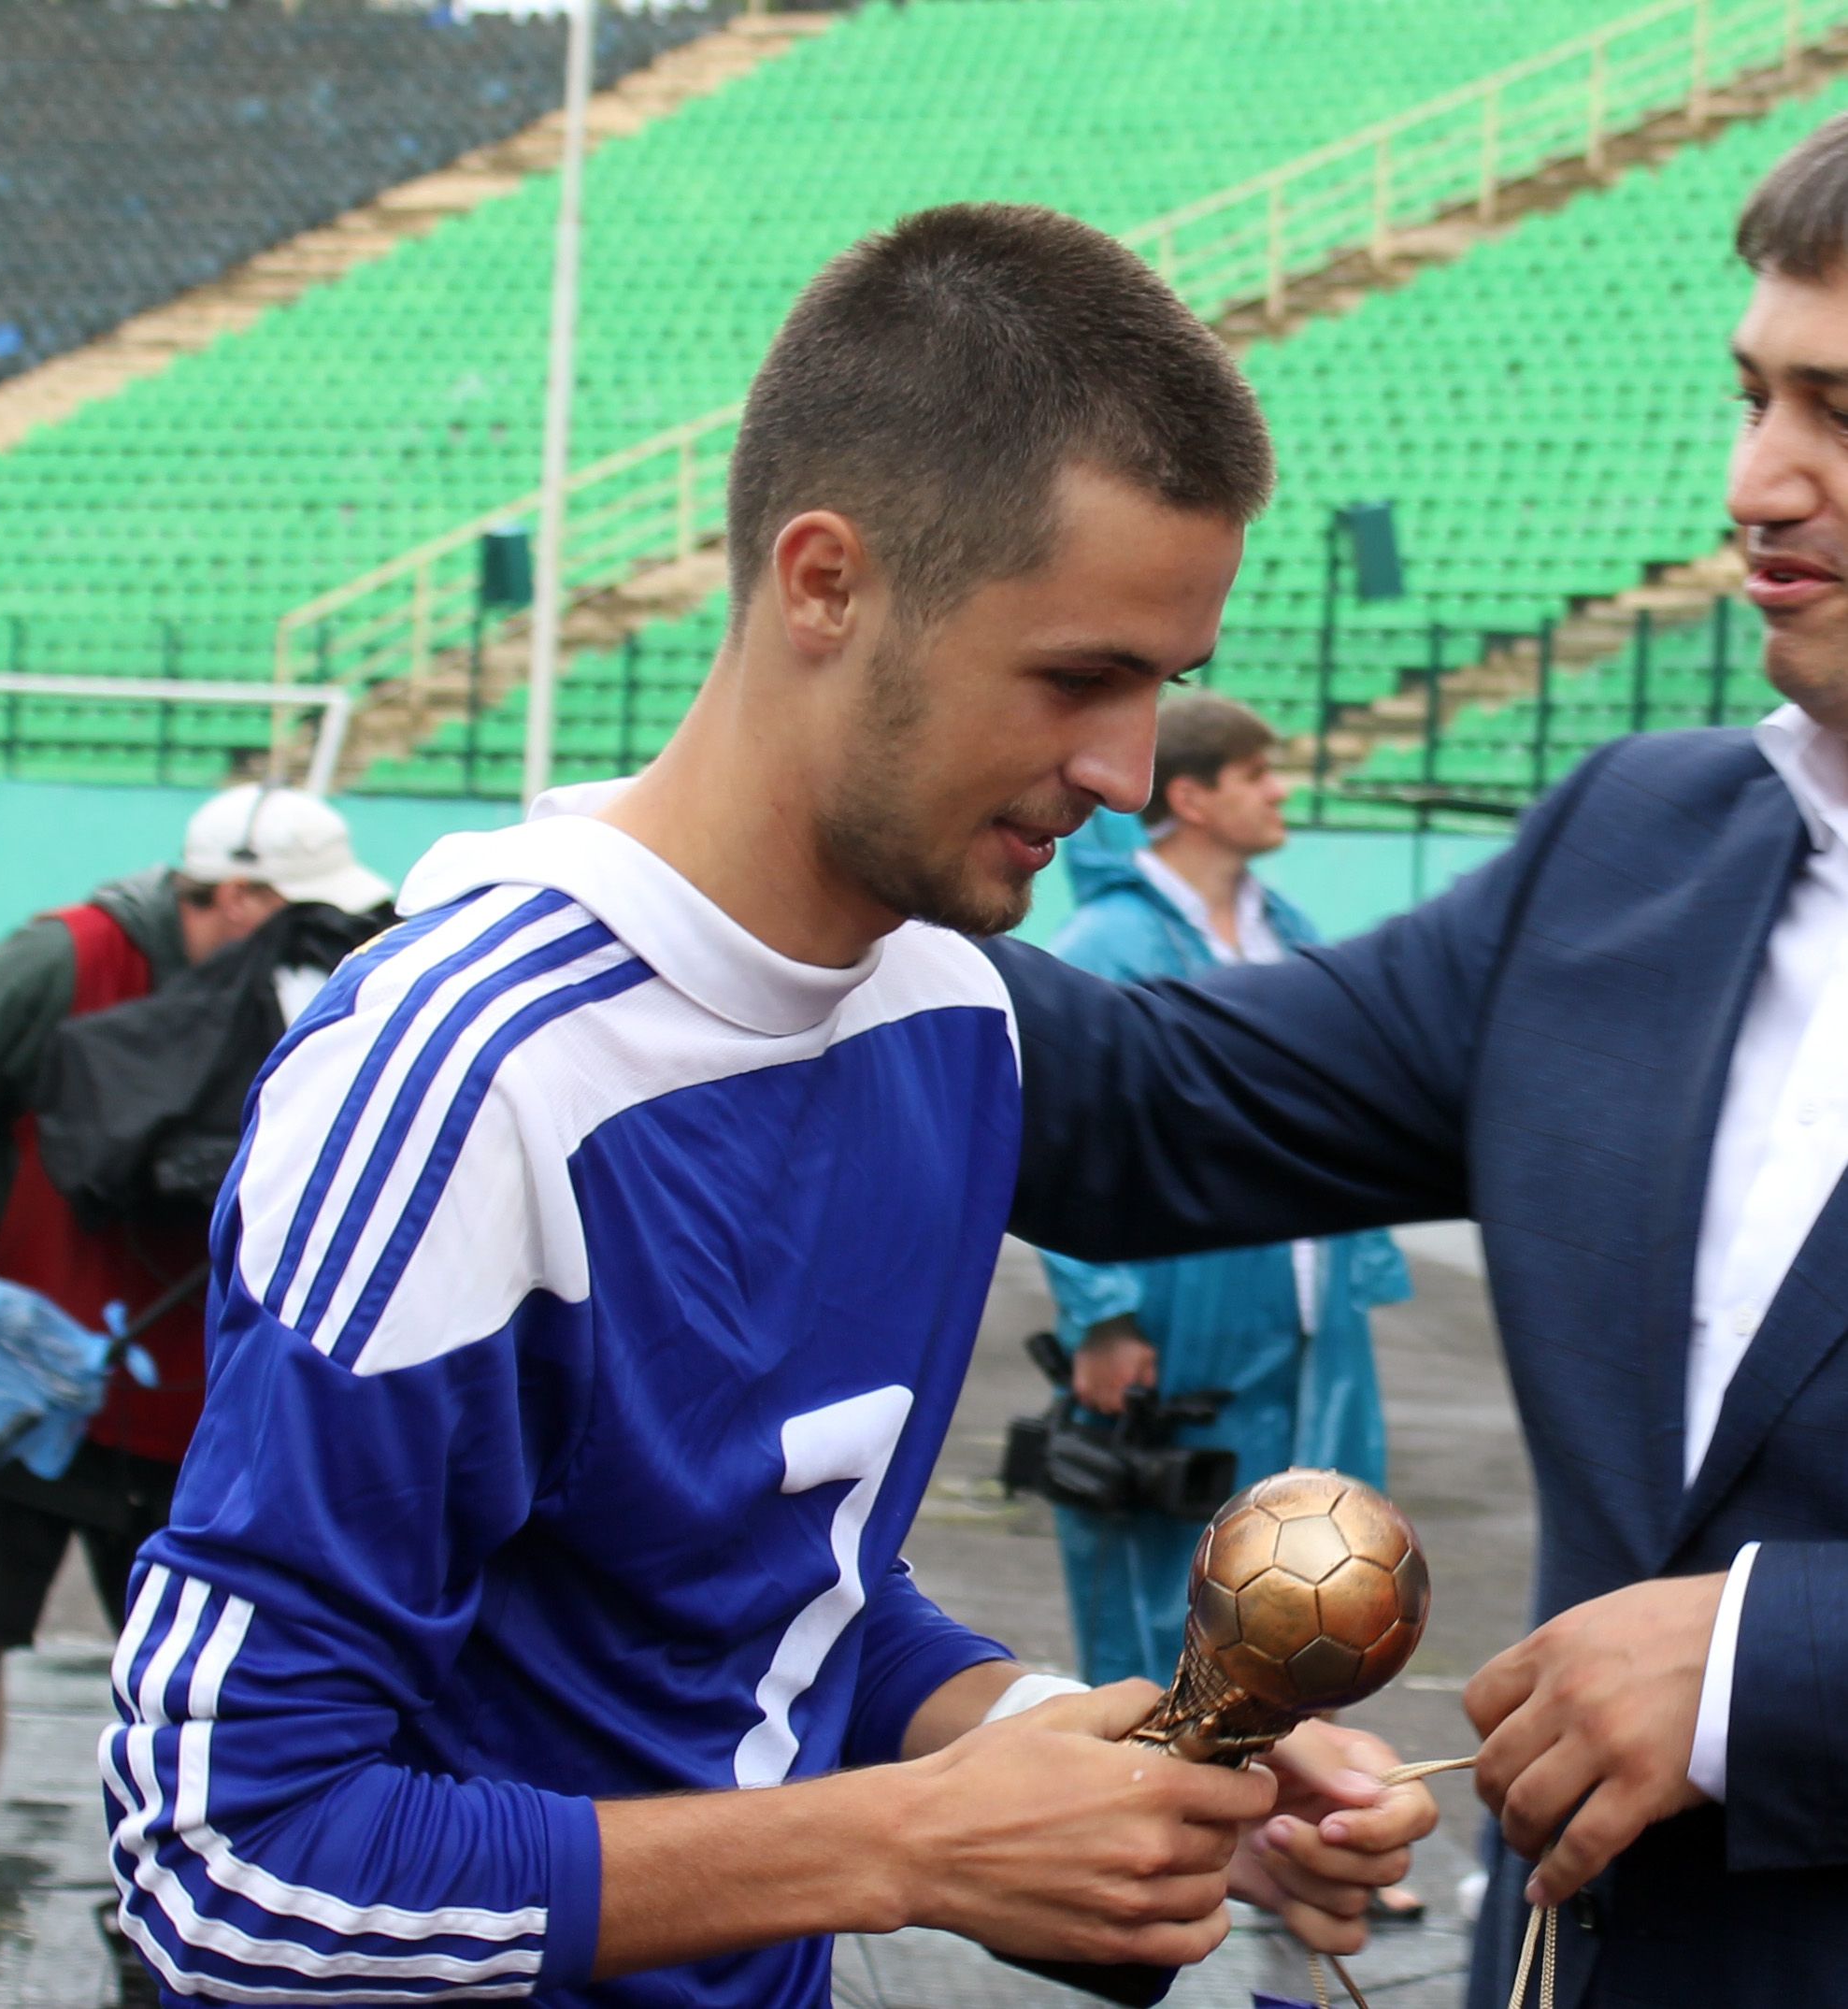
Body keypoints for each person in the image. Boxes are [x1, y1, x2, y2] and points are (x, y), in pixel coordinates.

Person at [101, 206, 1435, 2009]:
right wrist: (901, 1840)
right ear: (822, 581)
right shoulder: (462, 1077)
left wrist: (1083, 1765)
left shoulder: (952, 1009)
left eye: (1161, 686)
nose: (1126, 774)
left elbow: (773, 1603)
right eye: (1074, 676)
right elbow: (225, 1865)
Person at [980, 116, 1848, 2009]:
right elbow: (1145, 1107)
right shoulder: (1637, 847)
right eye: (1751, 395)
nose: (1756, 481)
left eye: (1837, 412)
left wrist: (1773, 1665)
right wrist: (764, 848)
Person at [0, 784, 391, 2009]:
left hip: (185, 1407)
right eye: (297, 917)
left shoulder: (312, 989)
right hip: (18, 1383)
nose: (321, 942)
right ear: (234, 900)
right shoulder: (65, 959)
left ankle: (160, 1901)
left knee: (185, 1679)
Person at [1039, 691, 1409, 1691]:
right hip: (1180, 1311)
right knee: (1170, 1572)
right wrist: (1102, 1314)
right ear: (1193, 797)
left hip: (1304, 1315)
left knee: (1303, 1565)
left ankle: (1270, 1805)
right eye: (1256, 774)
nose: (1279, 789)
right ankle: (1142, 1787)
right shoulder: (1106, 945)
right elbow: (1062, 1131)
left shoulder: (1285, 931)